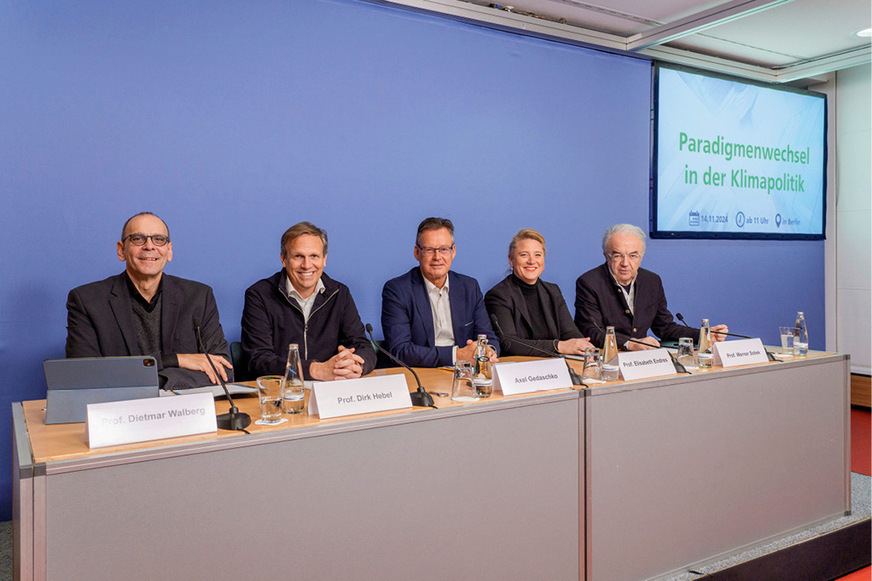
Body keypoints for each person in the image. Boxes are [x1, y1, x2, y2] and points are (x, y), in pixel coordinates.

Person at [65, 212, 233, 390]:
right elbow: (85, 376)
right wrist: (176, 360)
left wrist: (150, 381)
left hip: (185, 405)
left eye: (159, 240)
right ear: (121, 250)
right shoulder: (87, 301)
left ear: (169, 251)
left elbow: (222, 369)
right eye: (138, 239)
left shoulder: (199, 296)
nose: (149, 246)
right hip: (120, 406)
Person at [241, 221, 376, 380]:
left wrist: (356, 365)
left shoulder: (340, 293)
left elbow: (363, 346)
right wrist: (315, 370)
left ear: (324, 259)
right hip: (282, 390)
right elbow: (258, 360)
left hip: (332, 388)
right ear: (284, 259)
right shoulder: (259, 295)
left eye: (314, 256)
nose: (306, 265)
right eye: (298, 256)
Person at [574, 223, 728, 350]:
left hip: (642, 360)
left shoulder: (652, 281)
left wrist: (703, 335)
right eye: (617, 255)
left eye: (633, 255)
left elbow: (665, 327)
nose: (625, 263)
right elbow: (592, 331)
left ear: (642, 256)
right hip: (606, 358)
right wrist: (630, 343)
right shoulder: (589, 283)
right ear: (606, 256)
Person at [381, 217, 499, 367]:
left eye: (443, 249)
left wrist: (489, 352)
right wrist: (456, 355)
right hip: (422, 372)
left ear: (453, 251)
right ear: (417, 253)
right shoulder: (397, 290)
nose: (437, 257)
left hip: (465, 372)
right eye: (429, 250)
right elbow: (400, 350)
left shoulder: (469, 287)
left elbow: (488, 337)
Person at [485, 229, 593, 357]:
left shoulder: (552, 291)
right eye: (524, 255)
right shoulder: (498, 295)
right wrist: (558, 346)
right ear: (511, 260)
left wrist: (581, 345)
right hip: (519, 366)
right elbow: (509, 343)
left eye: (537, 255)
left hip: (553, 363)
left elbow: (570, 332)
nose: (532, 261)